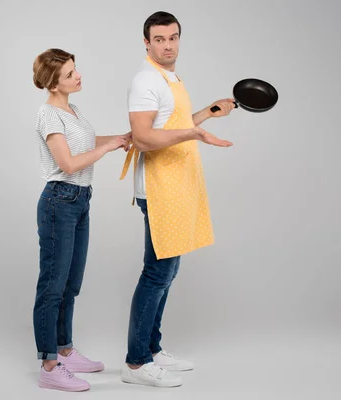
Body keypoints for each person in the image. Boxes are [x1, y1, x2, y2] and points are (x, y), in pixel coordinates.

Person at [119, 11, 236, 388]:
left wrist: (209, 114)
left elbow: (174, 122)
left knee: (167, 271)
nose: (167, 45)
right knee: (157, 272)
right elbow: (142, 137)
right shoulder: (145, 81)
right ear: (146, 42)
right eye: (159, 39)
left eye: (173, 38)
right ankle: (136, 364)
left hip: (176, 183)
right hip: (158, 185)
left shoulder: (171, 78)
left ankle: (152, 349)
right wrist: (194, 134)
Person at [32, 48, 130, 392]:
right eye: (71, 74)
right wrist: (104, 150)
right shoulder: (49, 115)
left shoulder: (72, 109)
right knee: (52, 287)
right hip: (60, 200)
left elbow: (87, 143)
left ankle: (65, 350)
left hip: (80, 199)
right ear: (54, 83)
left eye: (76, 70)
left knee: (71, 284)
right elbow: (70, 163)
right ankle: (49, 364)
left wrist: (118, 140)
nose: (79, 76)